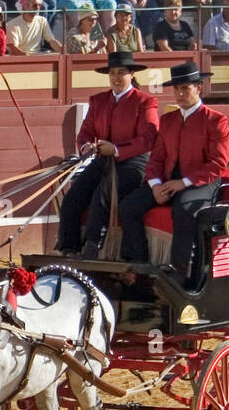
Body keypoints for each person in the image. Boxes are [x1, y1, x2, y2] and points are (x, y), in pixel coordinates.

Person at [118, 60, 229, 285]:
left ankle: (181, 269)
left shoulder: (216, 120)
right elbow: (156, 158)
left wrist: (184, 182)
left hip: (203, 183)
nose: (179, 93)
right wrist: (156, 185)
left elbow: (218, 164)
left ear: (198, 88)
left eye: (185, 88)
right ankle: (140, 264)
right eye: (176, 88)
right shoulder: (168, 120)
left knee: (183, 207)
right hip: (168, 182)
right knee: (128, 206)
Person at [56, 49, 159, 258]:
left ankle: (93, 247)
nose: (116, 78)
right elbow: (85, 132)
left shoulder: (145, 102)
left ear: (131, 75)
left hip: (134, 162)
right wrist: (86, 147)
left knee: (102, 194)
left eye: (121, 72)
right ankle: (69, 249)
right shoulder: (98, 100)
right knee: (73, 196)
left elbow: (149, 138)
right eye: (113, 73)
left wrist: (118, 149)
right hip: (103, 159)